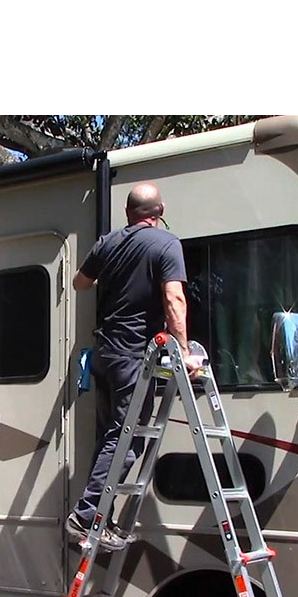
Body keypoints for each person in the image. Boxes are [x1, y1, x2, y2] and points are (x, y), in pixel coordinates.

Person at [67, 182, 200, 552]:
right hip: (130, 358)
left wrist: (106, 275)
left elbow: (80, 283)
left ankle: (100, 519)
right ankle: (85, 515)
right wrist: (185, 351)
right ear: (160, 213)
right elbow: (174, 297)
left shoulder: (108, 242)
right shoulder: (166, 243)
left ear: (129, 214)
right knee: (127, 442)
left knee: (110, 439)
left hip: (105, 354)